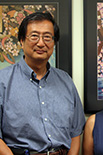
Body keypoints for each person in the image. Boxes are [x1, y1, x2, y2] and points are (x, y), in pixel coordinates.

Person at [0, 12, 85, 155]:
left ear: (53, 42)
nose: (41, 43)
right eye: (34, 36)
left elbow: (75, 131)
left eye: (47, 37)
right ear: (21, 41)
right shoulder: (3, 80)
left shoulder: (65, 80)